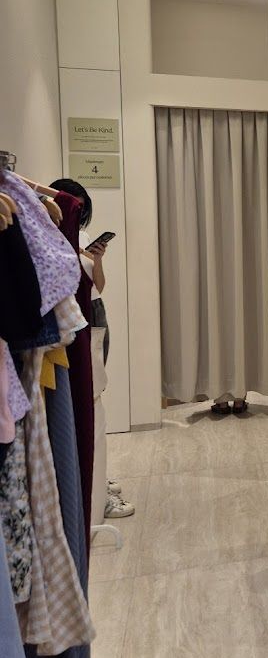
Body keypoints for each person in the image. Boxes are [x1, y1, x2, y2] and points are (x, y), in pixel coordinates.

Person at [49, 178, 134, 519]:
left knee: (95, 393)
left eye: (83, 207)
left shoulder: (82, 236)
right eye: (76, 205)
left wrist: (95, 258)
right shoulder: (55, 237)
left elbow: (98, 283)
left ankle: (97, 476)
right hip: (75, 315)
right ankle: (92, 487)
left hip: (94, 308)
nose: (80, 212)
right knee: (88, 399)